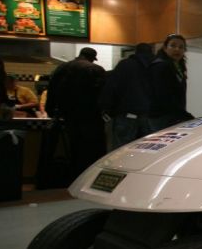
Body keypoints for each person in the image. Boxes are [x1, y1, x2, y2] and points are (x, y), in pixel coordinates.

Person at [45, 46, 106, 179]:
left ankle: (71, 176)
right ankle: (86, 177)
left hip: (67, 116)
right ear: (91, 58)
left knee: (72, 147)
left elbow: (52, 91)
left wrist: (50, 111)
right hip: (90, 117)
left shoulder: (61, 68)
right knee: (90, 150)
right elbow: (102, 95)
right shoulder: (95, 69)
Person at [99, 42, 154, 148]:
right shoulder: (158, 65)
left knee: (121, 151)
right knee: (148, 150)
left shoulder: (125, 64)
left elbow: (112, 87)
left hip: (127, 115)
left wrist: (106, 108)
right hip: (150, 118)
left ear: (136, 52)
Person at [149, 33, 191, 131]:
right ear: (165, 48)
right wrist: (184, 115)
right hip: (161, 116)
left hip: (173, 116)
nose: (177, 49)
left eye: (181, 47)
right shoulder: (160, 66)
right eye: (173, 45)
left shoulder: (178, 66)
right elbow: (163, 95)